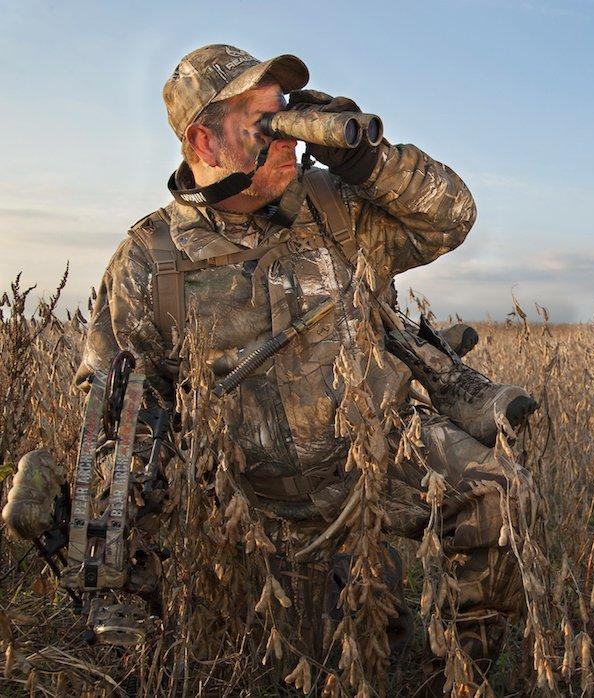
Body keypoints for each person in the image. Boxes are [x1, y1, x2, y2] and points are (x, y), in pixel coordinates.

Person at [74, 43, 531, 691]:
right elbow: (120, 420)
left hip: (379, 449)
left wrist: (368, 160)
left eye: (285, 113)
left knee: (495, 493)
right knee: (337, 665)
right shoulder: (151, 261)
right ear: (203, 140)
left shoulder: (332, 205)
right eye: (263, 123)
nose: (285, 133)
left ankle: (458, 677)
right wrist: (120, 558)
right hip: (269, 504)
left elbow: (451, 216)